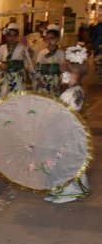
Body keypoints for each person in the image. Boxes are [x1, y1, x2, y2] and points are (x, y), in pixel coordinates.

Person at [46, 45, 90, 204]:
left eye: (65, 72)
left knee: (65, 160)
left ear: (73, 73)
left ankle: (69, 191)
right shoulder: (76, 89)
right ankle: (63, 188)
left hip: (66, 131)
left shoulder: (71, 92)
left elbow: (60, 113)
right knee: (66, 159)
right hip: (69, 131)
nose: (62, 75)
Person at [0, 22, 34, 100]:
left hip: (18, 79)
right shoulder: (2, 48)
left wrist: (27, 45)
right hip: (5, 79)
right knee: (3, 99)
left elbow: (30, 56)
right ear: (6, 37)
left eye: (15, 35)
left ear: (18, 36)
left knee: (18, 100)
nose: (12, 38)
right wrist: (1, 65)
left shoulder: (22, 47)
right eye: (9, 35)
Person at [35, 24, 65, 97]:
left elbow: (63, 70)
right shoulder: (42, 53)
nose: (50, 41)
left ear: (57, 39)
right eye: (48, 38)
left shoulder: (61, 53)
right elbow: (38, 67)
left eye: (52, 38)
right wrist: (39, 80)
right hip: (43, 81)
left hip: (55, 82)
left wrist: (60, 82)